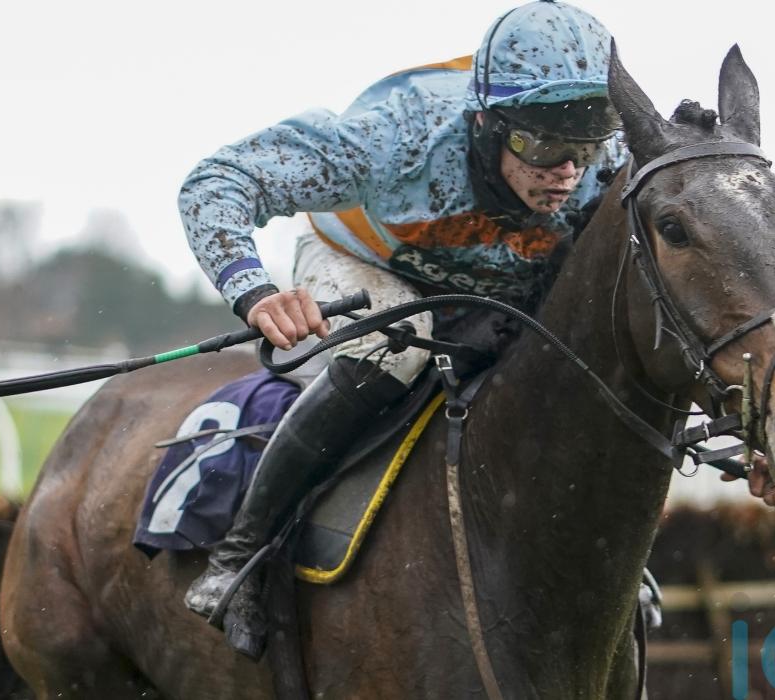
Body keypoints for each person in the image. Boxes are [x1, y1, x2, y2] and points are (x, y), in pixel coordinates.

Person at [178, 0, 626, 634]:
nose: (567, 172)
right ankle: (239, 555)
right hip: (365, 260)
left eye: (583, 145)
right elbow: (219, 181)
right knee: (399, 344)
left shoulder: (611, 163)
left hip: (501, 284)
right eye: (542, 143)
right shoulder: (401, 136)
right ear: (485, 123)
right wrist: (254, 291)